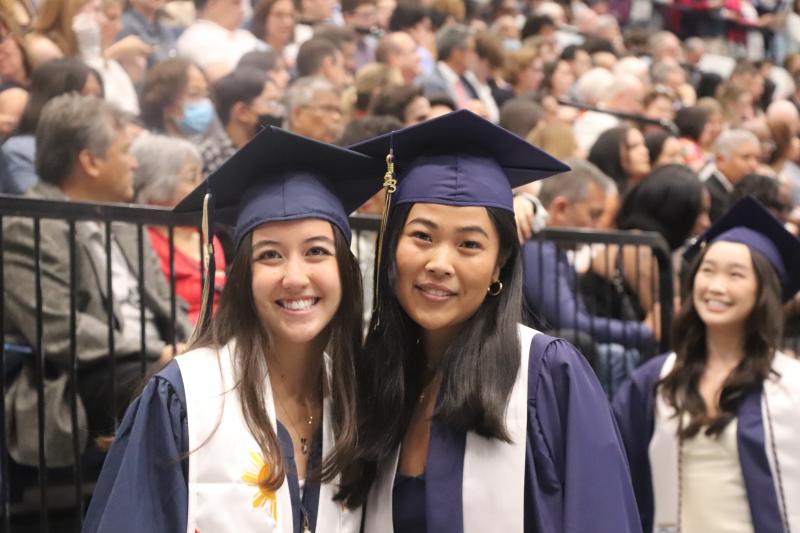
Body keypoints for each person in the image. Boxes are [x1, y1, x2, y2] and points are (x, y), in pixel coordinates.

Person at [340, 110, 641, 532]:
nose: (439, 263)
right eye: (422, 236)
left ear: (499, 264)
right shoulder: (376, 377)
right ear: (392, 247)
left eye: (469, 244)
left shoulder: (547, 375)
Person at [83, 125, 385, 532]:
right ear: (243, 276)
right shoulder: (184, 397)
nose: (295, 277)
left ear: (345, 271)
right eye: (270, 255)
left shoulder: (354, 398)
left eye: (316, 251)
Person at [2, 94, 190, 467]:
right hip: (79, 377)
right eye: (125, 151)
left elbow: (171, 305)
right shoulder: (27, 226)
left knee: (228, 372)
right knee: (175, 386)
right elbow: (58, 330)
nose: (135, 162)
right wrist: (158, 353)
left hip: (157, 361)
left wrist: (196, 345)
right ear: (90, 160)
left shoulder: (125, 222)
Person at [613, 196, 800, 533]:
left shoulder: (791, 386)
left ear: (764, 292)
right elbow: (616, 480)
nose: (716, 286)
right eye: (707, 270)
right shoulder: (654, 381)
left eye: (736, 275)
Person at [130, 133, 226, 324]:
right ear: (159, 185)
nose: (203, 184)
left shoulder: (206, 233)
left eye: (202, 174)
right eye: (192, 177)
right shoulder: (142, 242)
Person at [0, 57, 103, 195]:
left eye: (98, 96)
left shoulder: (106, 148)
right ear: (56, 100)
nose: (97, 105)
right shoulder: (20, 151)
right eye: (85, 96)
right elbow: (38, 208)